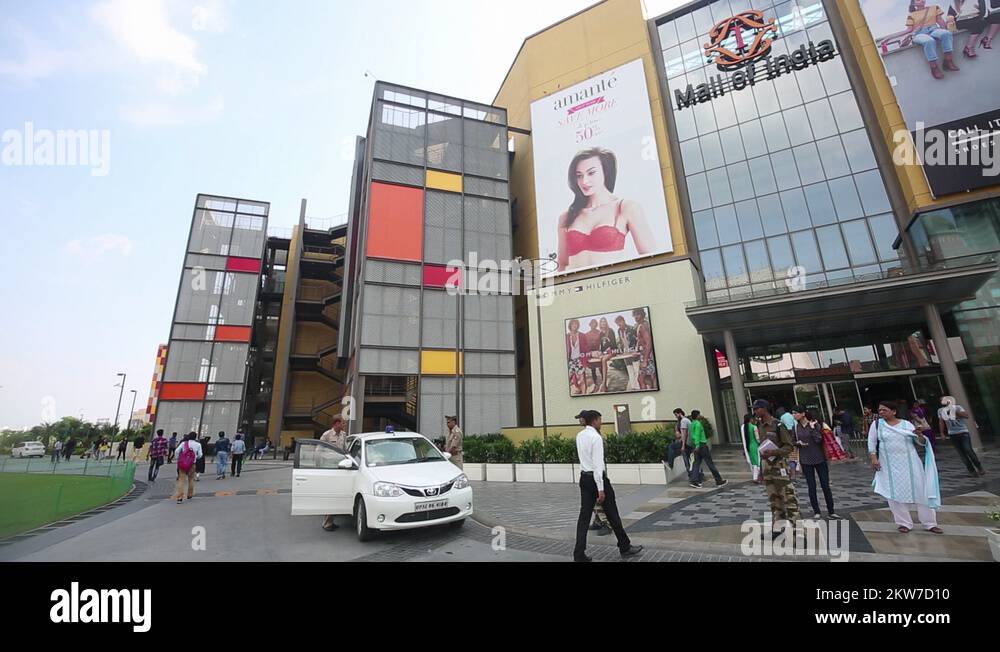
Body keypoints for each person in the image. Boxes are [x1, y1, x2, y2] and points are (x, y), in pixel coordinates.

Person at [556, 148, 656, 273]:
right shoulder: (566, 217)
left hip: (613, 286)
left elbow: (651, 258)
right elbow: (562, 265)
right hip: (577, 289)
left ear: (606, 172)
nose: (584, 181)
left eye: (591, 173)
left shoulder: (626, 208)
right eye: (579, 176)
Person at [572, 410, 643, 562]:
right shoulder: (595, 438)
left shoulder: (580, 436)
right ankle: (625, 546)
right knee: (613, 515)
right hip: (597, 480)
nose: (601, 423)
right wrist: (600, 488)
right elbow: (598, 465)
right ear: (595, 420)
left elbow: (584, 459)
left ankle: (579, 553)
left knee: (583, 517)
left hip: (584, 478)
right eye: (600, 420)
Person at [870, 400, 943, 533]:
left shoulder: (906, 424)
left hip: (910, 463)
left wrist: (920, 436)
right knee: (893, 492)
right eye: (880, 410)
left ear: (894, 411)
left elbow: (919, 442)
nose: (881, 412)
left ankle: (930, 523)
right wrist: (874, 459)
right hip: (888, 465)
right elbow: (872, 443)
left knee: (921, 489)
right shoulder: (876, 425)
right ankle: (904, 523)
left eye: (884, 410)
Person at [753, 399, 802, 536]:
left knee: (789, 499)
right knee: (775, 501)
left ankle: (797, 532)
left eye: (757, 408)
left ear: (764, 409)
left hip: (780, 468)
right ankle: (778, 528)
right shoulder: (760, 425)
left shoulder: (778, 425)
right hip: (767, 468)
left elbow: (789, 446)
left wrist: (774, 452)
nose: (755, 411)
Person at [792, 407, 841, 520]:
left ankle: (831, 511)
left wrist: (813, 429)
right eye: (793, 413)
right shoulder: (795, 427)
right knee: (811, 486)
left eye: (796, 412)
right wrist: (797, 443)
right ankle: (816, 511)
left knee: (825, 484)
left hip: (819, 458)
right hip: (805, 459)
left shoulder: (815, 424)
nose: (794, 415)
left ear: (803, 414)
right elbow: (793, 440)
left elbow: (819, 439)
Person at [902, 0, 960, 79]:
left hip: (934, 29)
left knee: (946, 34)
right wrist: (890, 37)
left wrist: (947, 30)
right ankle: (934, 67)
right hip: (919, 33)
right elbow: (909, 30)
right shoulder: (911, 15)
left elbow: (940, 21)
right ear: (913, 3)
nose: (922, 0)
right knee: (929, 41)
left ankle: (948, 61)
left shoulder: (934, 8)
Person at [938, 396, 986, 476]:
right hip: (952, 434)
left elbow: (966, 416)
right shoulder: (940, 410)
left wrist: (954, 411)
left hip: (963, 432)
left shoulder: (958, 407)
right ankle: (972, 471)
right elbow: (941, 422)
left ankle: (979, 466)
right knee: (962, 454)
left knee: (968, 450)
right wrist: (942, 433)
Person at [319, 417, 349, 531]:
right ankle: (327, 523)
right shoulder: (327, 435)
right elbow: (319, 450)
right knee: (331, 494)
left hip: (340, 467)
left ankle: (331, 521)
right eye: (343, 423)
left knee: (337, 494)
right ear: (337, 423)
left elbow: (345, 450)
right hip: (329, 468)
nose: (344, 425)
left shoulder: (344, 435)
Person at [687, 410, 727, 489]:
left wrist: (695, 445)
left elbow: (692, 436)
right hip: (701, 445)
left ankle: (694, 480)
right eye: (699, 415)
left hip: (695, 445)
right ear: (697, 416)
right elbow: (697, 435)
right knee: (709, 463)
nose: (700, 416)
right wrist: (698, 445)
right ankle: (718, 480)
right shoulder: (698, 424)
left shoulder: (691, 424)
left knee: (696, 463)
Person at [172, 433, 203, 504]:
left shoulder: (183, 443)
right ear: (195, 437)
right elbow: (200, 455)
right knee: (191, 479)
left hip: (183, 464)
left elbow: (176, 451)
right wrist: (195, 458)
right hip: (192, 464)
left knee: (181, 480)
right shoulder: (198, 445)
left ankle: (180, 497)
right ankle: (189, 494)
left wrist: (179, 458)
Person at [632, 309, 656, 391]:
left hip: (647, 356)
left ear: (642, 315)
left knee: (641, 379)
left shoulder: (643, 326)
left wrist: (645, 360)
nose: (636, 317)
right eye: (634, 315)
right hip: (645, 354)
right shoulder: (640, 325)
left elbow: (649, 343)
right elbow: (640, 340)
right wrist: (636, 350)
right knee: (650, 378)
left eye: (638, 314)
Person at [566, 319, 591, 396]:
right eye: (573, 324)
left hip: (579, 360)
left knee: (582, 380)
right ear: (570, 325)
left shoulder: (582, 335)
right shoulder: (566, 336)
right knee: (567, 380)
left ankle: (584, 396)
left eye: (576, 324)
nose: (574, 325)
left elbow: (587, 348)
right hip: (570, 361)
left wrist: (585, 360)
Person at [666, 408, 693, 475]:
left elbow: (685, 434)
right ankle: (693, 475)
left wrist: (683, 445)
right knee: (688, 460)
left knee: (671, 446)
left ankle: (670, 464)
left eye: (676, 415)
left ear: (680, 413)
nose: (675, 416)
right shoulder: (686, 420)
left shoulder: (683, 421)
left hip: (686, 442)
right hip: (689, 443)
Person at [739, 413, 760, 482]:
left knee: (753, 461)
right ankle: (756, 477)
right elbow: (757, 439)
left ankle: (755, 476)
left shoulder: (743, 427)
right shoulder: (754, 427)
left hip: (748, 447)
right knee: (757, 462)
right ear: (751, 419)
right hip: (755, 446)